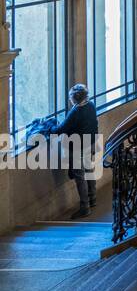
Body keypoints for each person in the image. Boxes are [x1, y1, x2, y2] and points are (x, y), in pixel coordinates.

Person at [49, 84, 99, 219]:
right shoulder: (91, 105)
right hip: (90, 143)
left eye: (71, 96)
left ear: (75, 98)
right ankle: (93, 198)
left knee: (79, 177)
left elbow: (62, 128)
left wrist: (51, 129)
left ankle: (85, 207)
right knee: (89, 171)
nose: (69, 99)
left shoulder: (76, 111)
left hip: (77, 148)